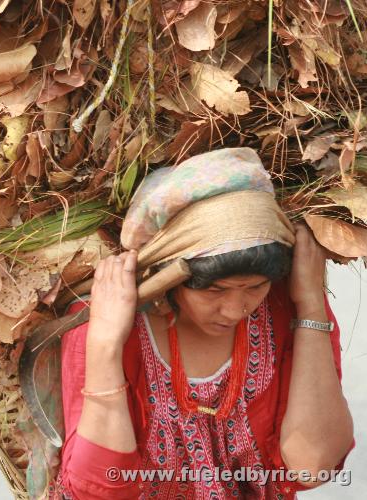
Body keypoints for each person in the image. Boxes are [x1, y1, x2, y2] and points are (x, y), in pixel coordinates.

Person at [54, 148, 355, 499]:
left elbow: (313, 465)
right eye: (214, 290)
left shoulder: (286, 309)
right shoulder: (105, 322)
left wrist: (311, 306)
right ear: (166, 275)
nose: (235, 310)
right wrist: (104, 347)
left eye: (254, 287)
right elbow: (98, 492)